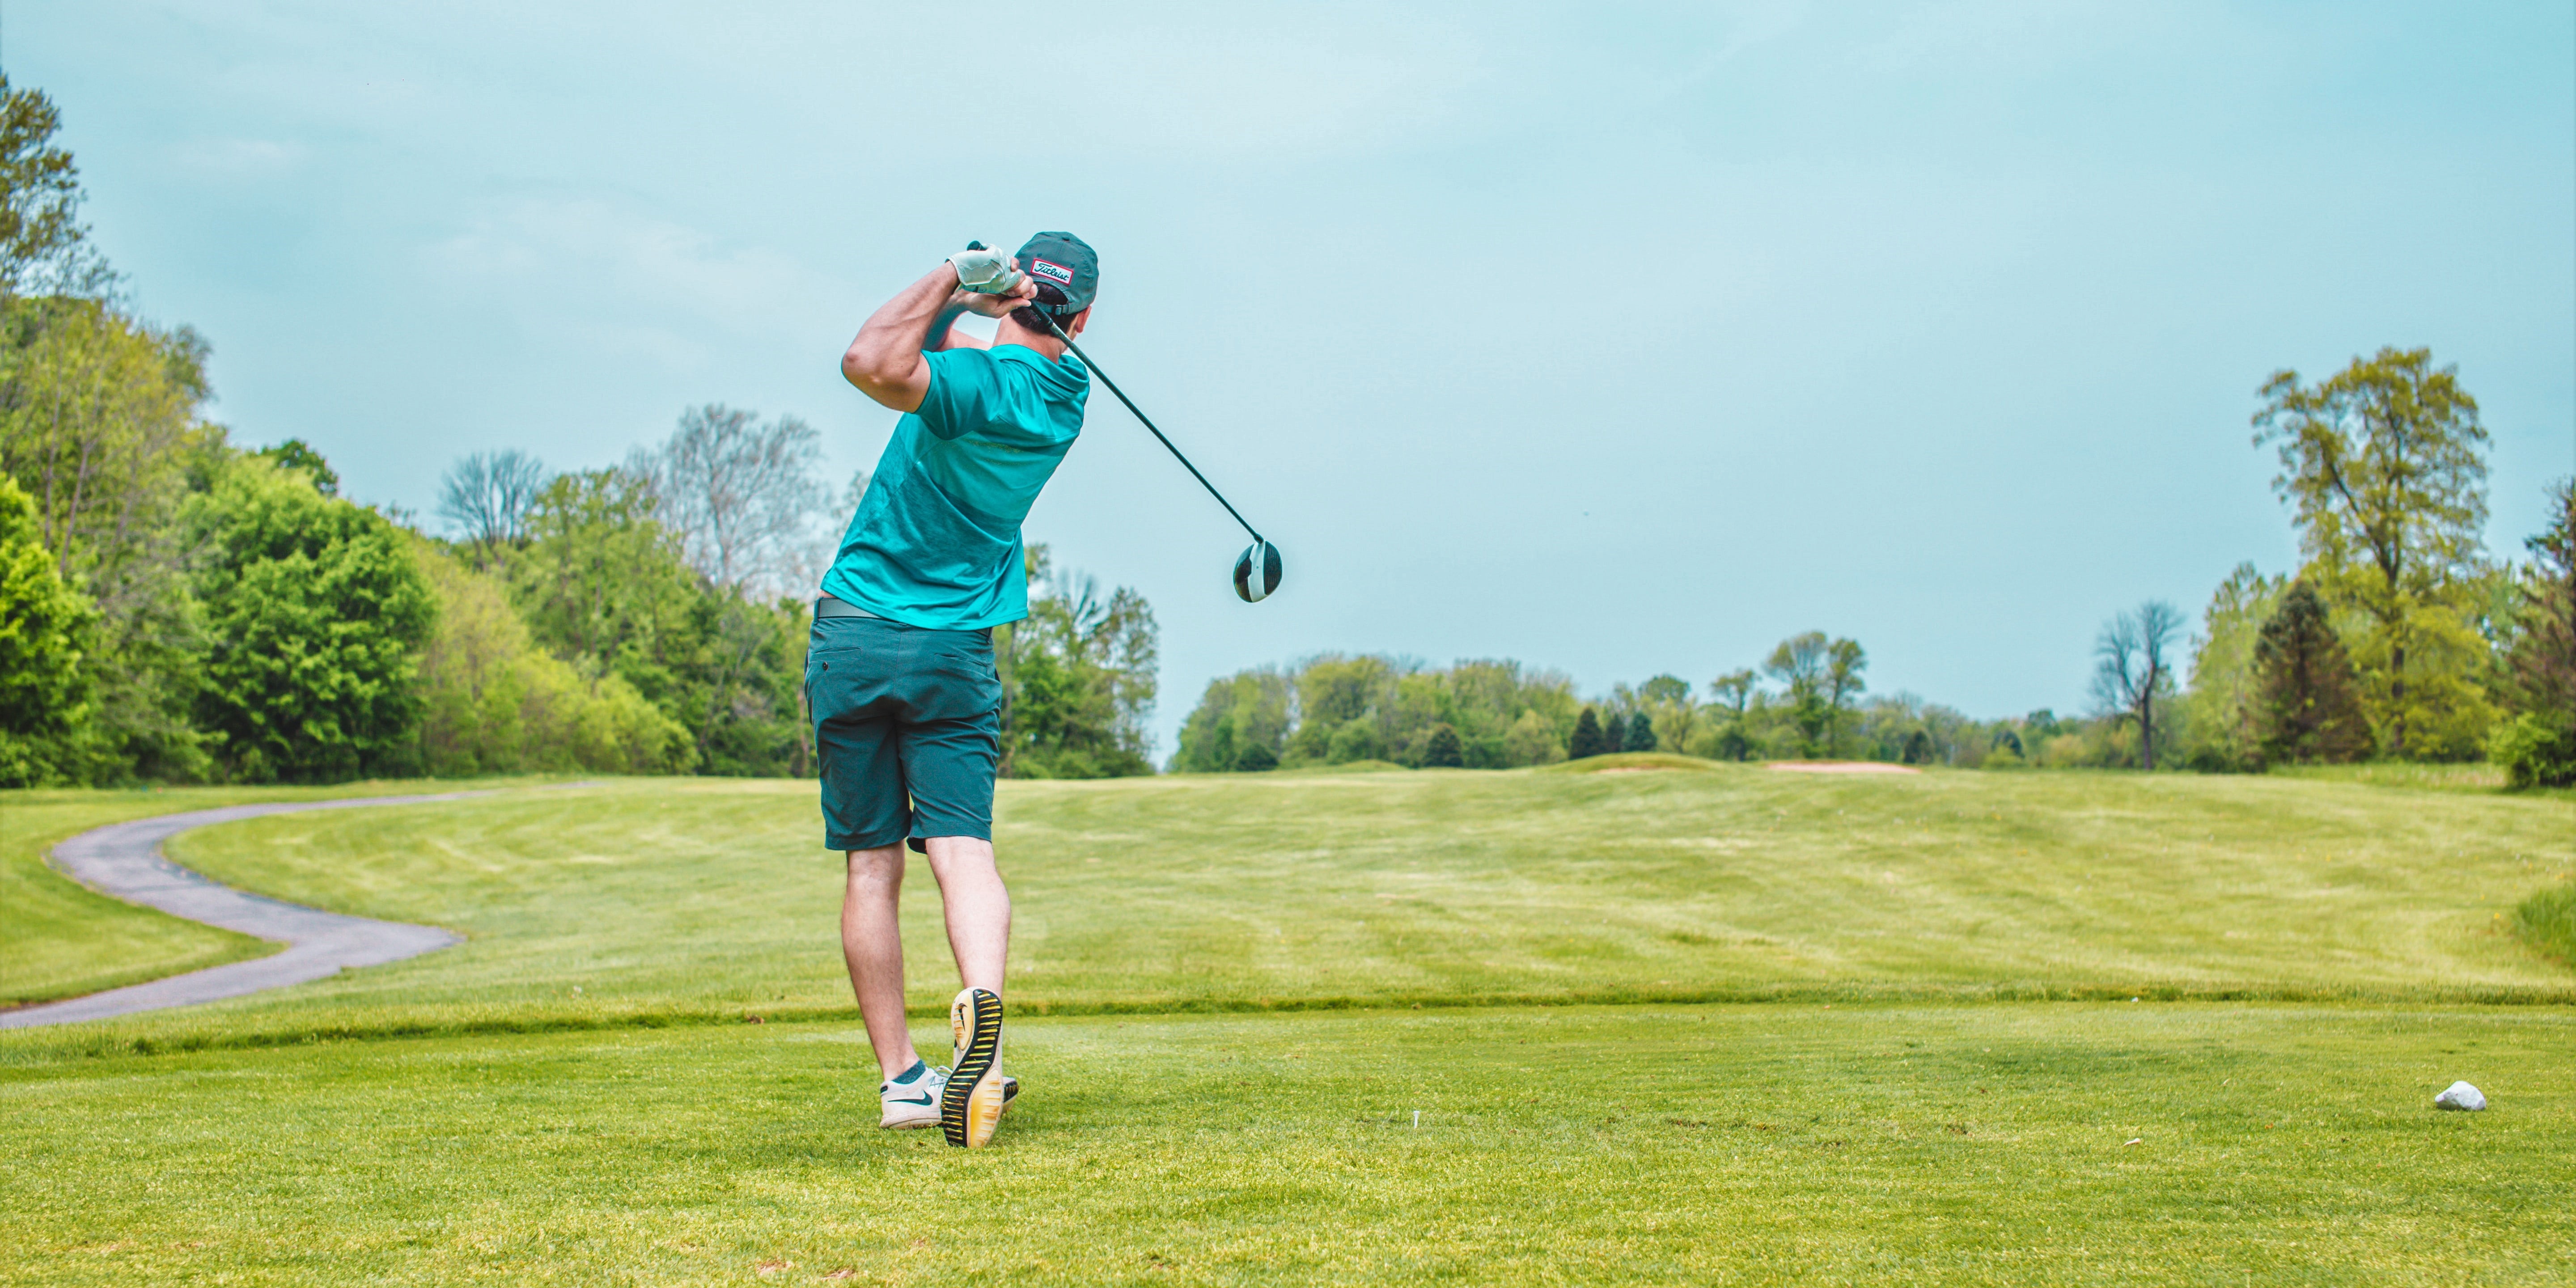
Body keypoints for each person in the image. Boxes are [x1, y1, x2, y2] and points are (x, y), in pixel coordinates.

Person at [814, 233, 1098, 1148]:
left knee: (872, 863)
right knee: (963, 849)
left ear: (1015, 293)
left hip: (855, 634)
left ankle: (903, 1080)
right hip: (952, 656)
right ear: (1083, 318)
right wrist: (984, 308)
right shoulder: (1065, 401)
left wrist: (952, 277)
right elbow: (931, 362)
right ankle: (986, 1021)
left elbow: (871, 359)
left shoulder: (971, 384)